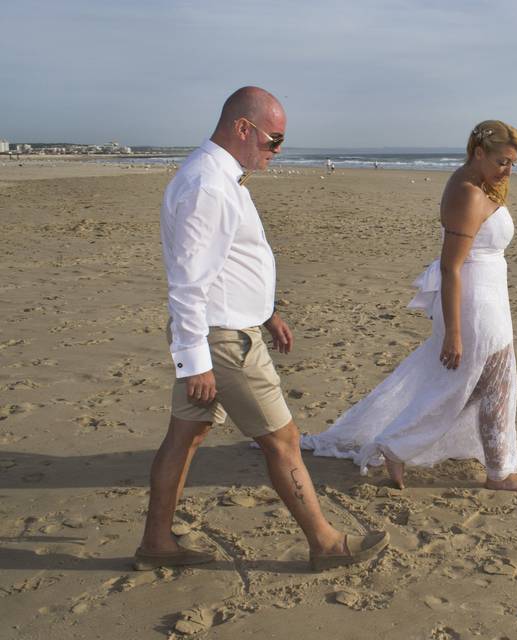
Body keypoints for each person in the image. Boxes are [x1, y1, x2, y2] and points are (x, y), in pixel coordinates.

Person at [135, 86, 388, 572]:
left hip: (225, 330)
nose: (277, 152)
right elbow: (188, 283)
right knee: (283, 440)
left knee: (184, 437)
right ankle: (326, 544)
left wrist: (267, 311)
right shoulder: (207, 185)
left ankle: (156, 543)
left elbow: (227, 264)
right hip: (224, 342)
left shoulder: (221, 178)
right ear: (242, 128)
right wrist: (195, 362)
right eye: (274, 140)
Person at [300, 120, 517, 492]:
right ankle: (478, 467)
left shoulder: (480, 183)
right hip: (474, 303)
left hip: (490, 295)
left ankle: (488, 467)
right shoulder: (468, 192)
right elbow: (450, 267)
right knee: (476, 386)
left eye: (513, 164)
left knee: (489, 385)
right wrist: (455, 334)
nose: (508, 171)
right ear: (479, 153)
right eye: (503, 161)